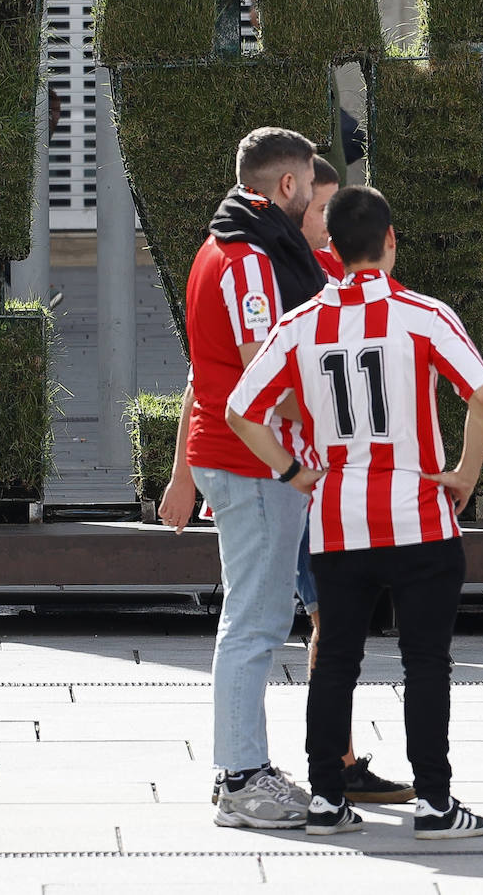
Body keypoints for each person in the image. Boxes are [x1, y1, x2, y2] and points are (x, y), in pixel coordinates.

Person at [225, 185, 483, 838]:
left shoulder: (303, 321)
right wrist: (463, 473)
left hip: (339, 512)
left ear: (329, 248)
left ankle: (326, 799)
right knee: (426, 659)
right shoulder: (424, 314)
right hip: (418, 511)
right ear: (391, 239)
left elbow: (241, 409)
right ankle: (435, 803)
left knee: (335, 659)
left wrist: (294, 472)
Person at [156, 127, 322, 828]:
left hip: (234, 457)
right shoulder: (251, 260)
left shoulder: (218, 247)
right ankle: (240, 778)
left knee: (251, 619)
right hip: (254, 460)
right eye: (310, 185)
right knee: (254, 623)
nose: (313, 198)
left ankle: (243, 766)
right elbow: (265, 369)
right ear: (286, 186)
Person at [293, 156, 416, 805]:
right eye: (323, 208)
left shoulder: (322, 278)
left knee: (327, 626)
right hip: (309, 485)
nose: (332, 221)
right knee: (324, 626)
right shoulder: (296, 277)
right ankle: (330, 768)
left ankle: (331, 762)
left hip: (321, 483)